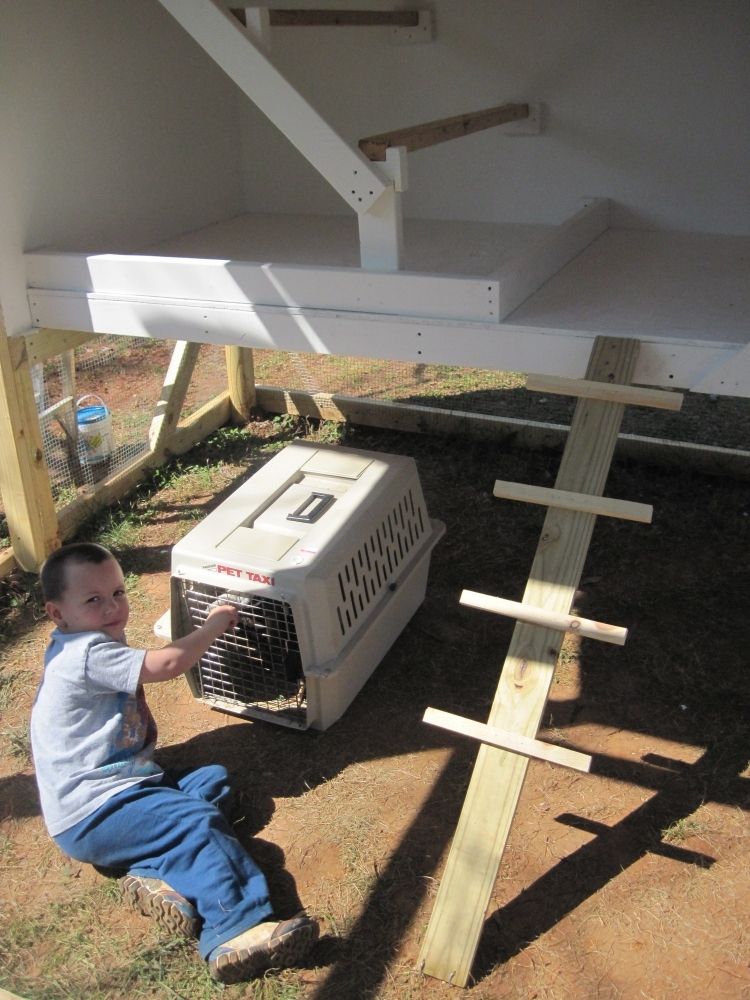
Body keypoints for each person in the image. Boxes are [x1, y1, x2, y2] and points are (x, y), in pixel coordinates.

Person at [30, 542, 318, 984]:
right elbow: (169, 663)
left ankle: (154, 876)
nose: (112, 607)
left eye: (118, 593)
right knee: (194, 821)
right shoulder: (86, 653)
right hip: (95, 810)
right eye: (93, 599)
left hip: (119, 789)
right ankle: (235, 928)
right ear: (57, 613)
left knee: (211, 782)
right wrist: (215, 622)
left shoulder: (81, 640)